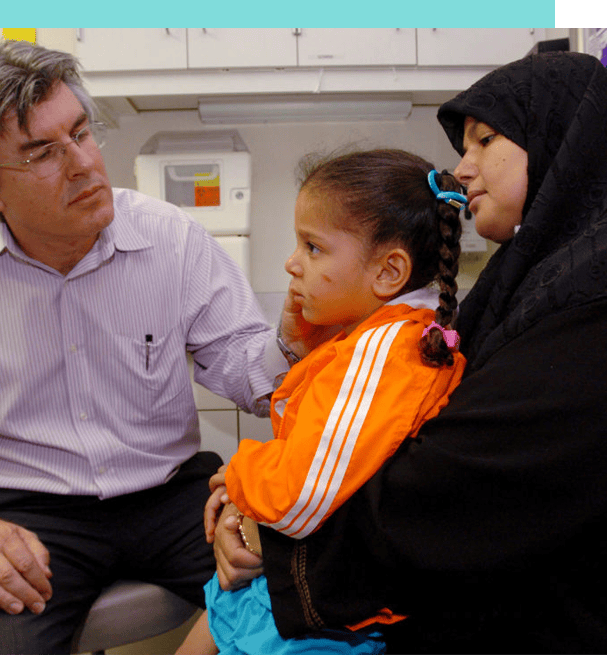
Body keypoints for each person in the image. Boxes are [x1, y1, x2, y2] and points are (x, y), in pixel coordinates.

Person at [0, 40, 290, 654]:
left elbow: (246, 370)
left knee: (318, 600)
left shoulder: (172, 240)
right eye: (42, 153)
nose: (82, 163)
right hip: (17, 509)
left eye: (81, 133)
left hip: (170, 495)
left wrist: (297, 333)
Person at [212, 51, 607, 654]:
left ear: (564, 133)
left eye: (485, 140)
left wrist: (257, 517)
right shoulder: (532, 278)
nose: (463, 167)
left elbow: (451, 486)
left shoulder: (590, 301)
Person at [176, 149, 468, 655]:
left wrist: (238, 476)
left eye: (312, 247)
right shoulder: (377, 336)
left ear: (388, 271)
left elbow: (299, 500)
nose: (292, 263)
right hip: (293, 578)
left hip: (323, 612)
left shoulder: (387, 352)